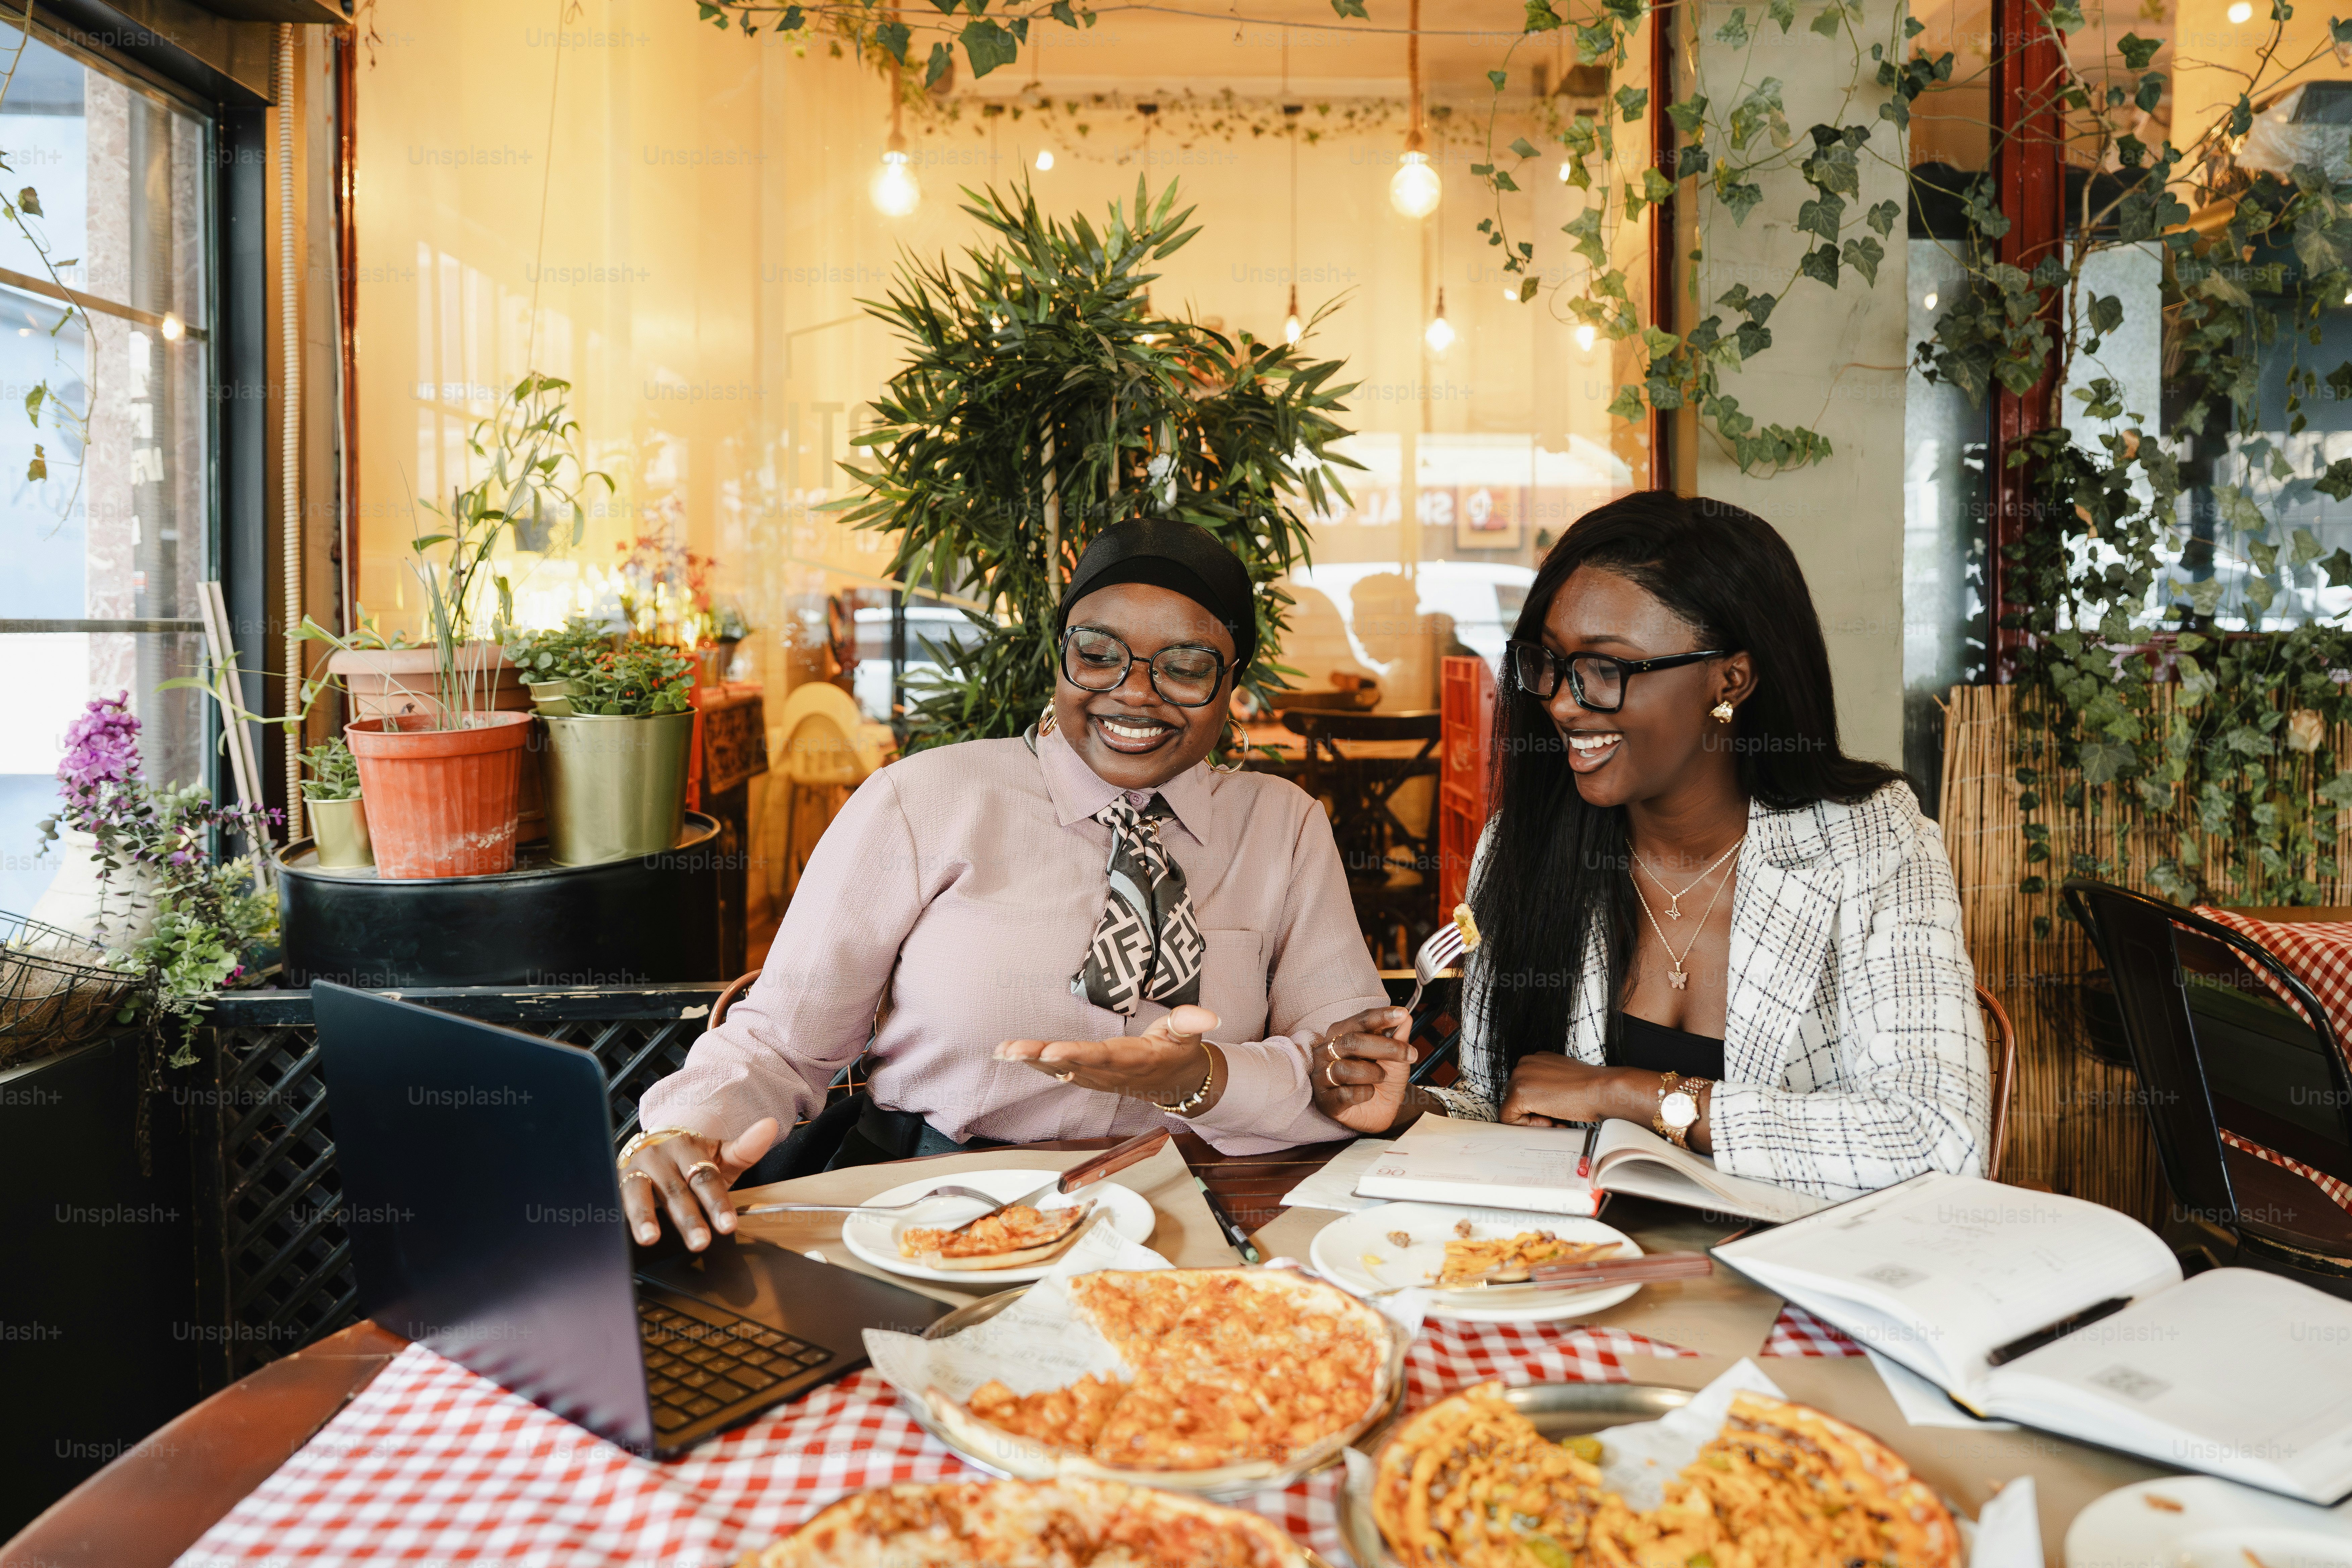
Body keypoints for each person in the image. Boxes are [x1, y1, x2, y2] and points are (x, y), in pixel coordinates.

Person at [625, 518, 1397, 1250]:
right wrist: (681, 1129)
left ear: (1233, 682)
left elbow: (1350, 1079)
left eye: (1186, 667)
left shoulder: (1282, 826)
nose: (1135, 691)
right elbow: (779, 1042)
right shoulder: (925, 800)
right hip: (928, 1207)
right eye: (1098, 654)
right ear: (1060, 653)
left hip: (1199, 1210)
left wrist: (1202, 1077)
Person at [1309, 492, 1990, 1200]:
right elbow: (1505, 1100)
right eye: (1552, 662)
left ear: (1732, 679)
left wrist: (1630, 1094)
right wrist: (1407, 1106)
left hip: (1799, 1278)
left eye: (1607, 669)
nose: (1564, 703)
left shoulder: (1873, 844)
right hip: (1578, 1273)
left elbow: (1942, 1138)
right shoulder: (1524, 844)